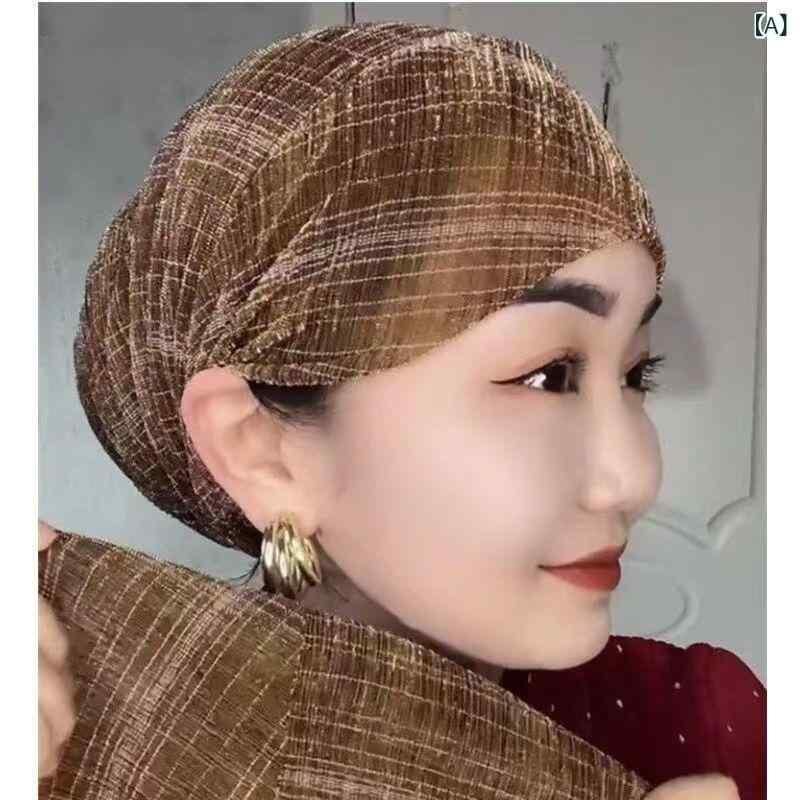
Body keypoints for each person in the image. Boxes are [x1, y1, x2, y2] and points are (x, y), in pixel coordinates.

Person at [38, 21, 749, 799]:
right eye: (548, 377)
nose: (633, 478)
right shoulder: (77, 738)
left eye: (638, 373)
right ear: (260, 449)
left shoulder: (708, 717)